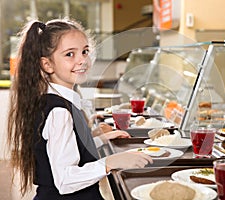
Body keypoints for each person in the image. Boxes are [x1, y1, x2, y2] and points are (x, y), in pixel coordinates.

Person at [7, 18, 153, 200]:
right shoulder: (59, 112)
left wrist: (100, 140)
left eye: (85, 52)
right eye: (70, 54)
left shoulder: (57, 101)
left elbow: (70, 148)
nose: (82, 60)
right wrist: (109, 162)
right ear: (47, 65)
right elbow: (65, 180)